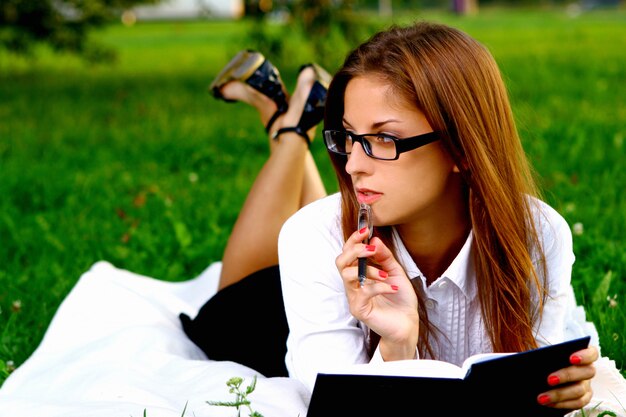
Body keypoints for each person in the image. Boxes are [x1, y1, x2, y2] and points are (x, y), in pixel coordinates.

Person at [276, 20, 600, 413]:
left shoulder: (537, 233)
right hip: (263, 312)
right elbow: (332, 406)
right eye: (348, 136)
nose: (353, 164)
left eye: (384, 139)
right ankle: (286, 126)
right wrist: (396, 346)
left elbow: (528, 385)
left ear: (462, 148)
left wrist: (553, 392)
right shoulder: (311, 239)